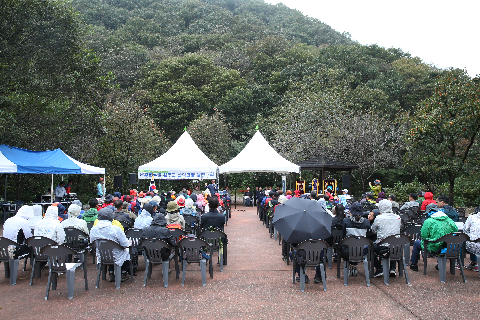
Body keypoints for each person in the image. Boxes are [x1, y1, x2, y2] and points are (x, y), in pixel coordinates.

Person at [409, 205, 458, 271]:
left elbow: (423, 236)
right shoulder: (450, 220)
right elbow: (455, 231)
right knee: (442, 242)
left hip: (433, 246)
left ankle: (414, 264)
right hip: (448, 247)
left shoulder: (428, 221)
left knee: (416, 243)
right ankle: (439, 264)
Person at [90, 208, 131, 282]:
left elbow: (92, 243)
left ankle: (111, 272)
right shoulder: (115, 229)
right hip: (116, 255)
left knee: (112, 250)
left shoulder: (93, 229)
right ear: (111, 216)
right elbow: (125, 244)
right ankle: (123, 272)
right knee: (125, 250)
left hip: (101, 255)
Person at [371, 199, 401, 277]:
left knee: (368, 248)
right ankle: (392, 268)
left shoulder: (379, 218)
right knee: (393, 242)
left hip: (382, 247)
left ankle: (379, 268)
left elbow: (373, 230)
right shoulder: (398, 217)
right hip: (397, 248)